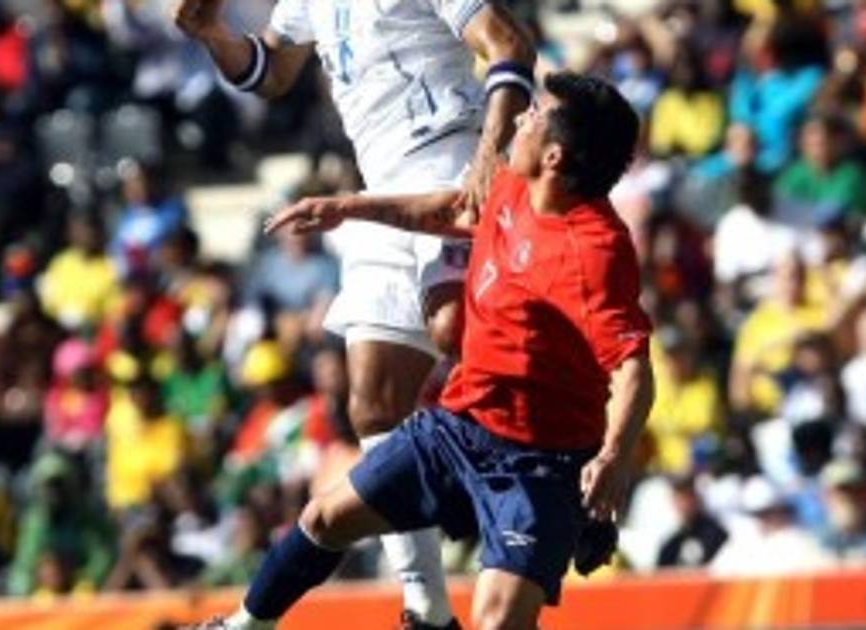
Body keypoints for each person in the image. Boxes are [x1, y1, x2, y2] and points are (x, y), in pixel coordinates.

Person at [192, 73, 653, 630]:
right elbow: (453, 212)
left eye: (533, 114)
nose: (519, 117)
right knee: (325, 518)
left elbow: (633, 369)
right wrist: (347, 208)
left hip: (540, 461)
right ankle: (241, 627)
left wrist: (613, 459)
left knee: (498, 621)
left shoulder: (594, 251)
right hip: (459, 427)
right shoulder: (513, 183)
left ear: (554, 156)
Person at [173, 0, 535, 627]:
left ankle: (545, 484)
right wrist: (211, 34)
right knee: (371, 403)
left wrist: (487, 156)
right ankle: (428, 610)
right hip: (377, 190)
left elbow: (509, 43)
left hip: (450, 167)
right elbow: (270, 71)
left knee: (455, 330)